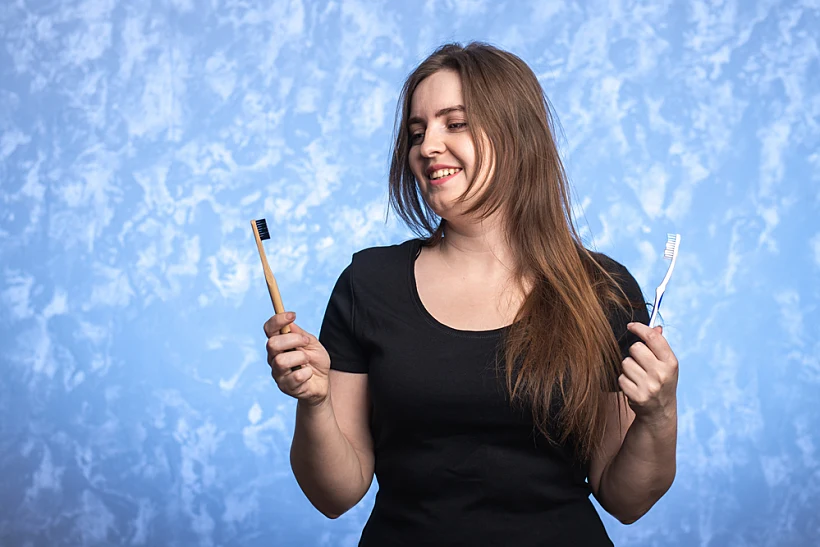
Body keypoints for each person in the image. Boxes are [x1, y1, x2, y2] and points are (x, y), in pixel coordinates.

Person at [263, 42, 679, 546]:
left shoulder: (602, 290)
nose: (427, 146)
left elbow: (627, 500)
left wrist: (658, 414)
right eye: (417, 132)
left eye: (453, 123)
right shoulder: (369, 283)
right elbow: (336, 496)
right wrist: (314, 403)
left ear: (516, 134)